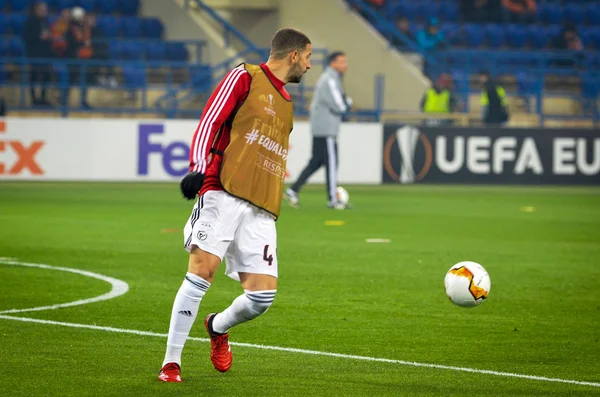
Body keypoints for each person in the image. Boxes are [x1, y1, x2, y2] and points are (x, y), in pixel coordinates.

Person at [158, 28, 312, 383]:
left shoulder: (287, 103)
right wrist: (197, 167)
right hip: (222, 189)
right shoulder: (244, 77)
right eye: (307, 58)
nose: (308, 66)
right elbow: (211, 119)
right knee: (201, 272)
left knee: (262, 297)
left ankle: (217, 326)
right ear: (293, 56)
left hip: (261, 205)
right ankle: (172, 362)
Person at [284, 51, 352, 210]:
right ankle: (333, 200)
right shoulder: (330, 80)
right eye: (342, 61)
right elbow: (340, 104)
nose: (345, 65)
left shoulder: (330, 79)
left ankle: (293, 191)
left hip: (321, 127)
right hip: (326, 129)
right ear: (332, 63)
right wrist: (347, 105)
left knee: (317, 162)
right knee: (332, 163)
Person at [23, 1, 53, 106]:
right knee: (34, 76)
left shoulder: (46, 21)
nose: (44, 12)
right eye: (42, 9)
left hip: (45, 53)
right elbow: (26, 36)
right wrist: (39, 37)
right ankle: (33, 99)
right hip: (34, 53)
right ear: (36, 10)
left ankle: (42, 98)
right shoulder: (30, 21)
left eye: (45, 10)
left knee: (46, 76)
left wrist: (49, 37)